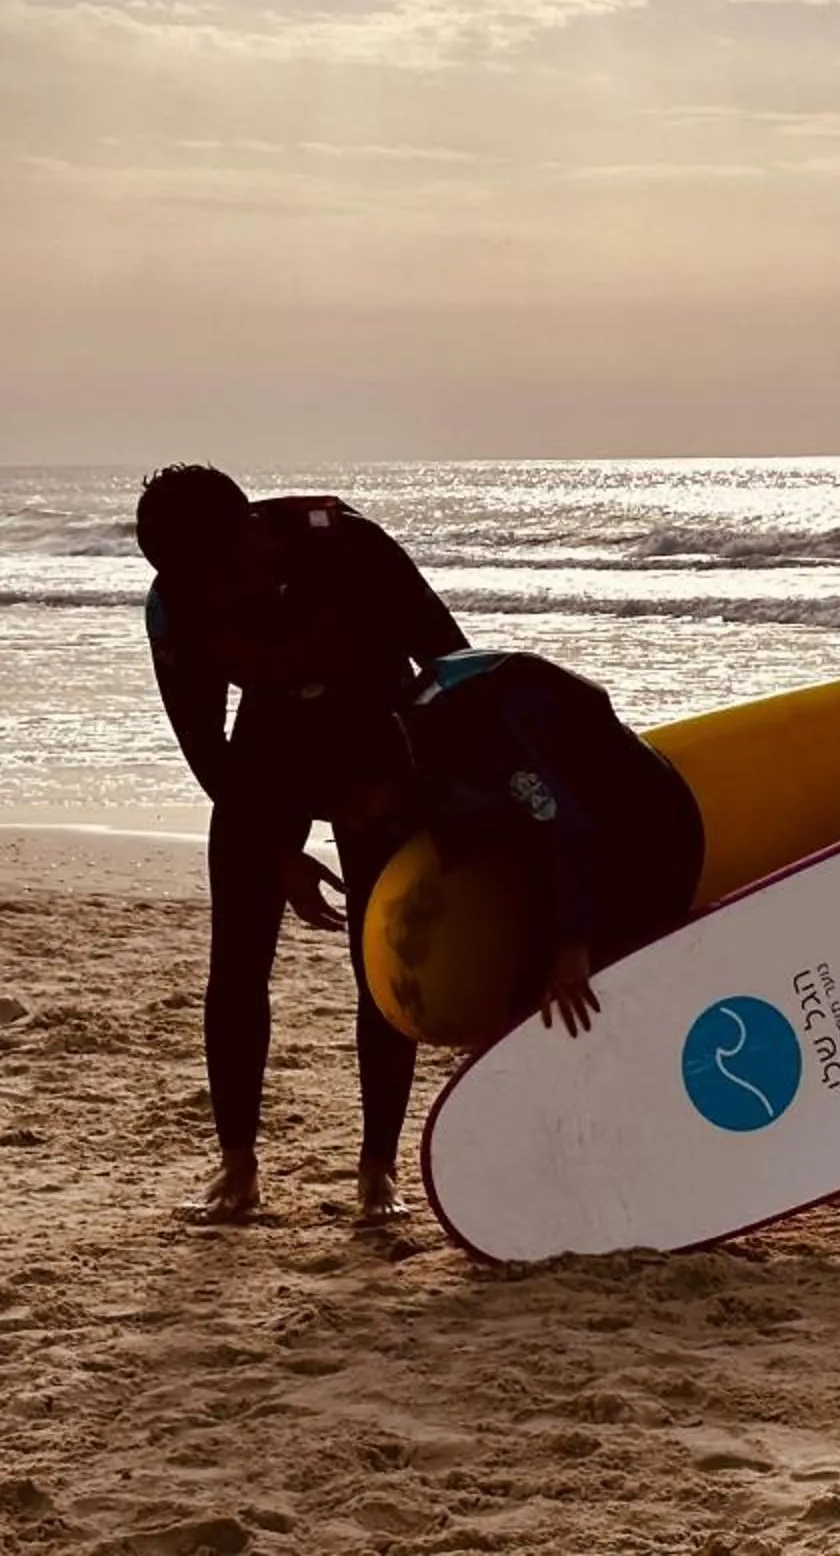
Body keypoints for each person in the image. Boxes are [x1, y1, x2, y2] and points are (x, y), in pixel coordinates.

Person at [135, 464, 468, 1225]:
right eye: (200, 585)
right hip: (267, 751)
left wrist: (422, 793)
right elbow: (204, 745)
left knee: (381, 965)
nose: (224, 595)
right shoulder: (176, 604)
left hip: (378, 740)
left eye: (228, 575)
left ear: (252, 532)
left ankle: (378, 1172)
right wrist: (278, 855)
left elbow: (453, 670)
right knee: (236, 963)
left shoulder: (348, 546)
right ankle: (237, 1170)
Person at [347, 648, 706, 1043]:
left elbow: (570, 830)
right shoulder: (402, 731)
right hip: (564, 821)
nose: (360, 823)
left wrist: (573, 947)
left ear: (382, 775)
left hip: (651, 829)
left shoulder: (483, 732)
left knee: (599, 991)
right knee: (530, 998)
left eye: (358, 807)